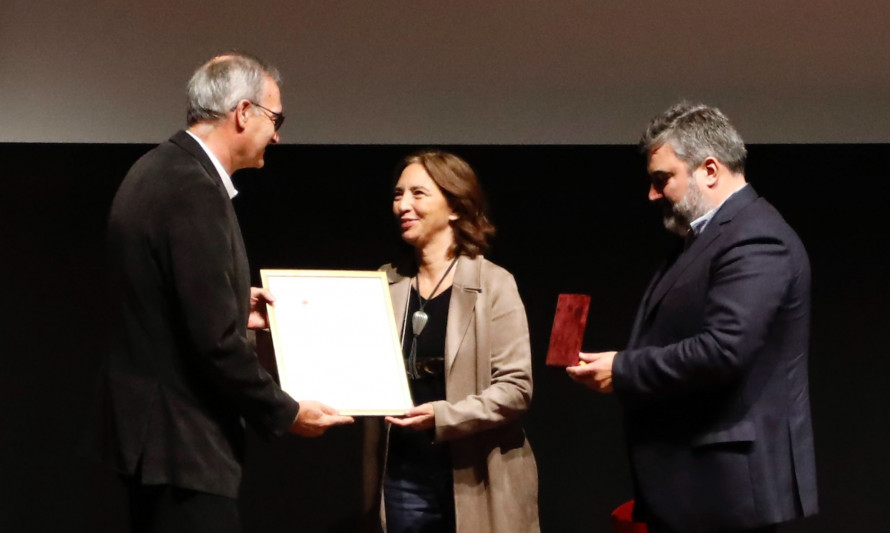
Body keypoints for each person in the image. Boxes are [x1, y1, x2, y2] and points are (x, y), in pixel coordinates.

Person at [87, 52, 353, 533]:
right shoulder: (192, 187)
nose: (278, 135)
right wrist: (287, 411)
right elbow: (213, 343)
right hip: (181, 445)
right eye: (275, 118)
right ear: (243, 112)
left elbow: (163, 298)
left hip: (156, 444)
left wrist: (232, 302)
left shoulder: (157, 169)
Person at [568, 102, 818, 533]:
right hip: (700, 487)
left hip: (727, 490)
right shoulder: (709, 237)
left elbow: (724, 350)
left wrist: (624, 369)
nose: (652, 193)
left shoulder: (755, 236)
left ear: (709, 169)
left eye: (662, 178)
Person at [361, 151, 539, 533]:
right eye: (397, 194)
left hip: (476, 471)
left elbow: (516, 388)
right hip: (404, 473)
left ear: (455, 207)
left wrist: (443, 416)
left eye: (418, 193)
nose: (403, 205)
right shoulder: (383, 283)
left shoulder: (494, 284)